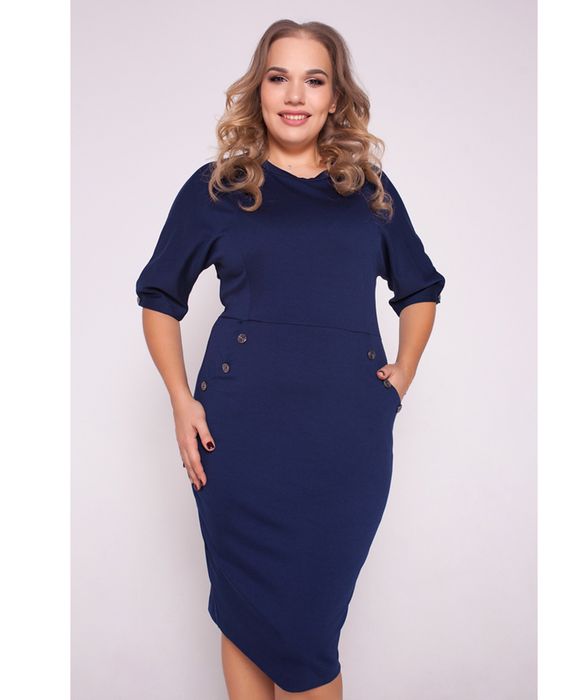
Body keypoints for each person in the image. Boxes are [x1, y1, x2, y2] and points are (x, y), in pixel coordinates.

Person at [136, 19, 445, 700]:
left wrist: (403, 373)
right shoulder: (218, 187)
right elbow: (159, 296)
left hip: (345, 440)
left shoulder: (369, 191)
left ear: (335, 98)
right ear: (260, 89)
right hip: (238, 436)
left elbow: (420, 288)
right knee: (245, 613)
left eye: (314, 80)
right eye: (279, 77)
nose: (295, 95)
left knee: (307, 635)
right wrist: (181, 400)